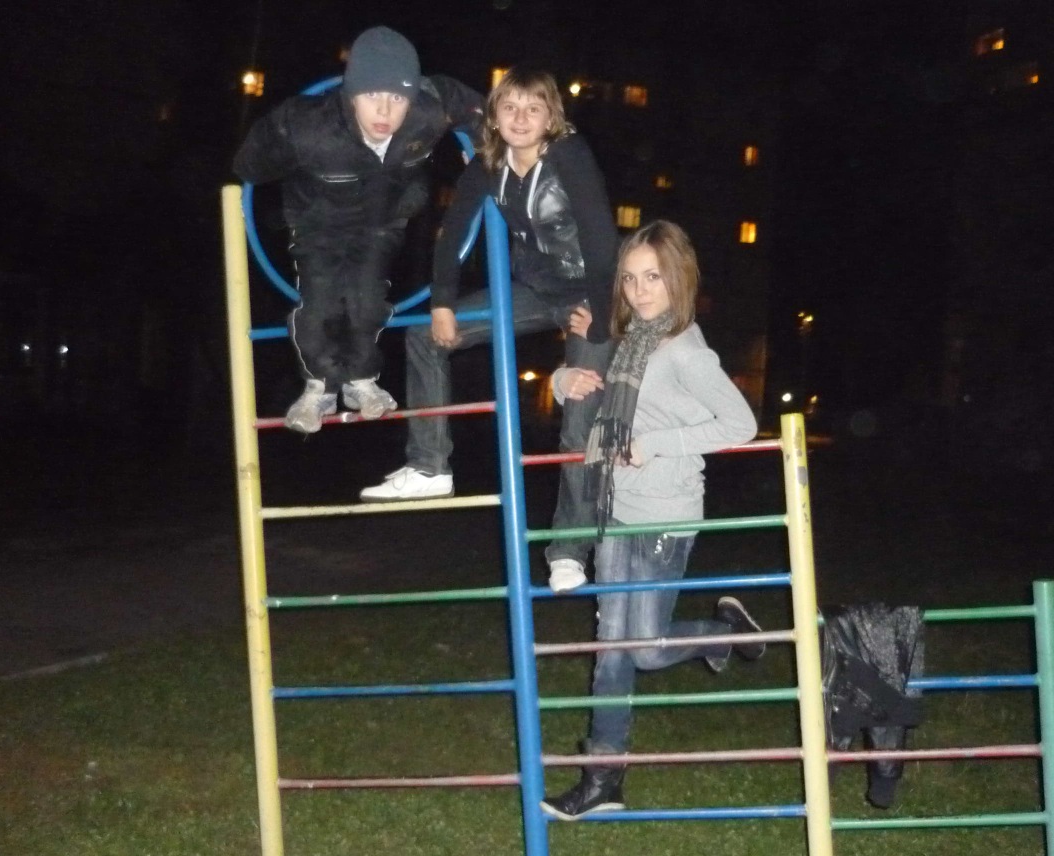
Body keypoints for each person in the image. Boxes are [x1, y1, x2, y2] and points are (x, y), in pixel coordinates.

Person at [359, 68, 617, 593]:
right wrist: (442, 304)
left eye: (533, 109)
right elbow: (453, 231)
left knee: (578, 424)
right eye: (510, 107)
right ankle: (430, 465)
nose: (521, 119)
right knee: (423, 336)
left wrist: (605, 312)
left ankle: (569, 551)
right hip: (536, 291)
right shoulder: (488, 164)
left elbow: (600, 235)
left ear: (550, 117)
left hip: (590, 296)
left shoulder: (568, 154)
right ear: (494, 116)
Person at [539, 220, 764, 821]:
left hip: (664, 516)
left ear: (678, 278)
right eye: (630, 278)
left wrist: (656, 444)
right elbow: (589, 395)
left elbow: (741, 424)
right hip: (616, 510)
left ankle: (722, 633)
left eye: (653, 278)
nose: (640, 291)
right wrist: (562, 380)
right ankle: (603, 780)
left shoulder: (686, 349)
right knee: (612, 651)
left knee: (641, 649)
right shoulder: (630, 341)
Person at [233, 26, 483, 433]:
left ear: (412, 98)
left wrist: (492, 148)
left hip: (381, 222)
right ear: (350, 95)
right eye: (372, 96)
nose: (384, 111)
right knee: (322, 302)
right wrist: (278, 148)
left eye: (397, 98)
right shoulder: (308, 126)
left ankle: (361, 381)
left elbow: (482, 112)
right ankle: (318, 387)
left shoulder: (429, 109)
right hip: (318, 224)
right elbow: (249, 166)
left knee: (367, 299)